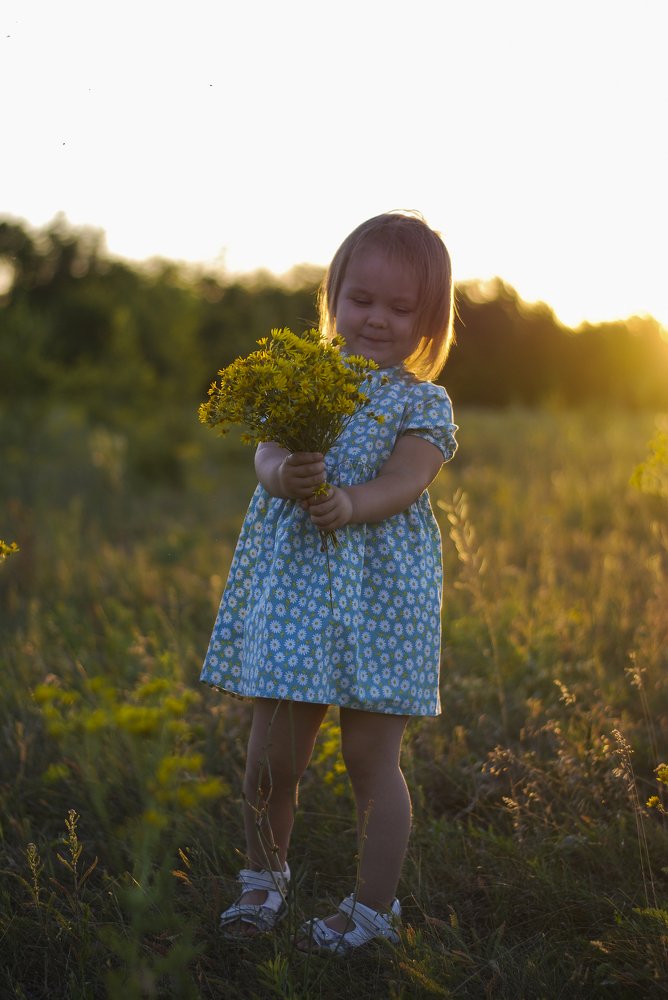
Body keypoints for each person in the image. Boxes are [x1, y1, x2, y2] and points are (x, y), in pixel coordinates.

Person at [201, 210, 458, 954]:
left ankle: (372, 911)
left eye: (400, 307)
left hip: (381, 598)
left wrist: (350, 501)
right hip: (295, 596)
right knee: (271, 756)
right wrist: (287, 472)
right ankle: (262, 879)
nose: (376, 318)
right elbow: (266, 456)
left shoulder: (422, 402)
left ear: (428, 321)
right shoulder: (301, 378)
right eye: (361, 299)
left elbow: (407, 481)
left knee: (370, 759)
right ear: (333, 296)